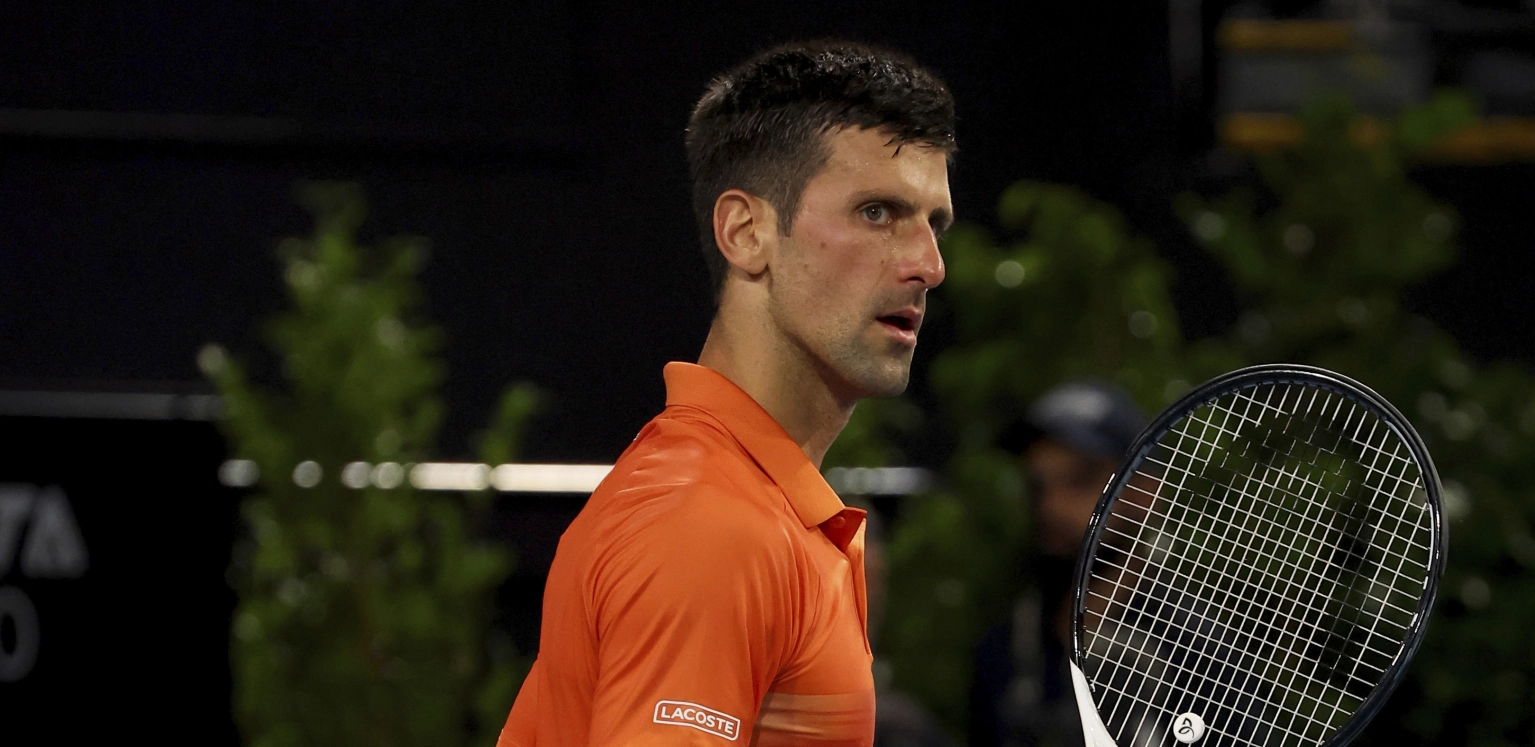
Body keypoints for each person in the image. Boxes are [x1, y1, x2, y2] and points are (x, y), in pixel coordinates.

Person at [498, 41, 956, 747]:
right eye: (876, 212)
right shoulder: (709, 526)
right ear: (745, 233)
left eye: (934, 224)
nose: (928, 264)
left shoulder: (740, 508)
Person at [970, 381, 1145, 747]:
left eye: (1080, 479)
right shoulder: (1003, 651)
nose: (1051, 506)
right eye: (1037, 485)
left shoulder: (1201, 648)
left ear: (1145, 491)